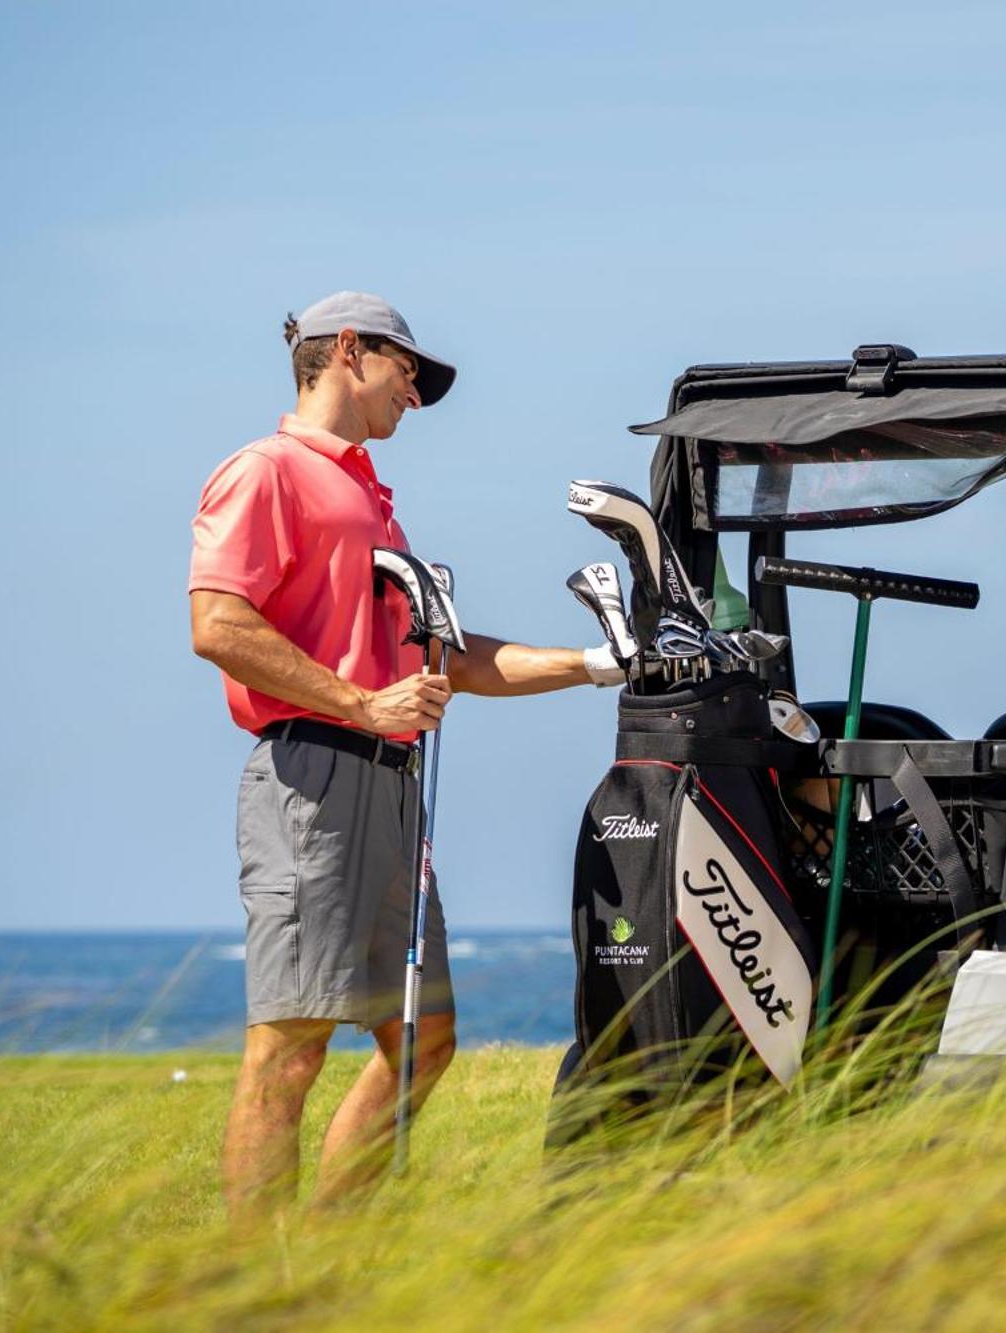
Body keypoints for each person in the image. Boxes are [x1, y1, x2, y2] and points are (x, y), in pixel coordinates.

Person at [188, 292, 623, 1223]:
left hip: (388, 786)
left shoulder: (370, 500)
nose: (415, 396)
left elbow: (449, 660)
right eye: (407, 371)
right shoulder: (267, 472)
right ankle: (250, 1291)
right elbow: (217, 623)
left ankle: (331, 1255)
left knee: (426, 1038)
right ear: (348, 350)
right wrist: (359, 700)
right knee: (289, 1049)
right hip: (313, 777)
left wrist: (594, 663)